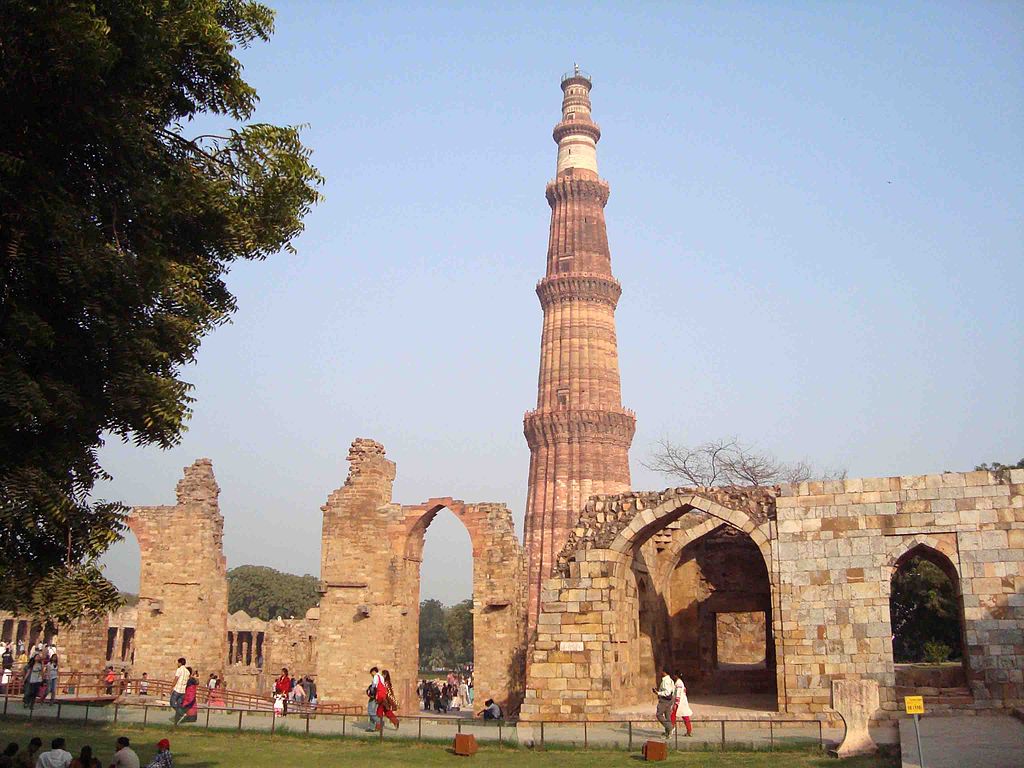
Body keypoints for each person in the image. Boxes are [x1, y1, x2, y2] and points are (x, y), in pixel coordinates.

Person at [654, 669, 675, 738]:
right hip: (669, 700)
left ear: (664, 672)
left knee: (659, 714)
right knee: (667, 715)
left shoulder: (666, 681)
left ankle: (670, 727)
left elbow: (667, 692)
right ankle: (668, 733)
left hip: (664, 700)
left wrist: (658, 693)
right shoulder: (671, 680)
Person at [673, 671, 693, 737]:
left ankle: (670, 730)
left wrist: (676, 703)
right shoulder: (681, 682)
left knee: (673, 715)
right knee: (685, 716)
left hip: (680, 702)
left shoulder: (678, 683)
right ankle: (689, 730)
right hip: (682, 701)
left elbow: (678, 693)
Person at [364, 667, 382, 731]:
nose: (371, 675)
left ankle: (379, 722)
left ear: (374, 671)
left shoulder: (376, 676)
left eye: (371, 673)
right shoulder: (381, 677)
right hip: (379, 697)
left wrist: (369, 691)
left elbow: (373, 687)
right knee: (373, 712)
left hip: (374, 697)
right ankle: (372, 727)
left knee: (370, 711)